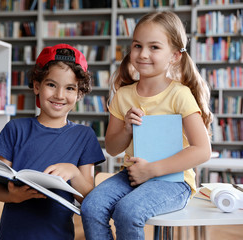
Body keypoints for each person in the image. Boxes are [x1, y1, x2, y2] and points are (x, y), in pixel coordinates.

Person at [81, 11, 213, 240]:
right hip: (131, 175)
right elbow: (112, 148)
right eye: (137, 46)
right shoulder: (123, 95)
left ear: (174, 56)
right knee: (91, 207)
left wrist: (150, 170)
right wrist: (126, 130)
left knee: (128, 211)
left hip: (174, 181)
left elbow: (202, 150)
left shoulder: (180, 95)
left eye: (154, 47)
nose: (143, 54)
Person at [0, 43, 105, 240]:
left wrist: (74, 172)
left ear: (79, 94)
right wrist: (13, 196)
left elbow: (89, 199)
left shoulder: (84, 136)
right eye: (51, 85)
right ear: (37, 86)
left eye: (70, 88)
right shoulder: (15, 129)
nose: (59, 95)